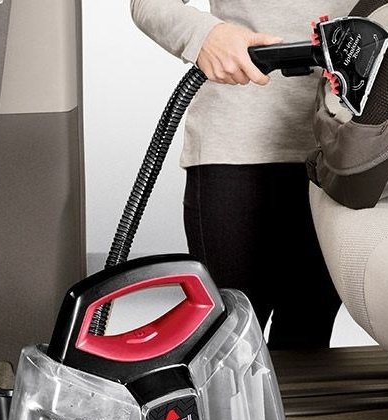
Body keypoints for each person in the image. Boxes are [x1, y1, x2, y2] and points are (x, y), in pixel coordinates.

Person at [130, 0, 353, 349]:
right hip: (239, 147)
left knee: (308, 336)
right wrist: (205, 34)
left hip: (347, 148)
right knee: (229, 342)